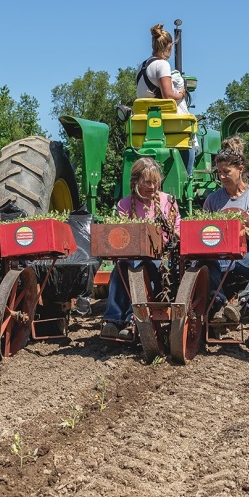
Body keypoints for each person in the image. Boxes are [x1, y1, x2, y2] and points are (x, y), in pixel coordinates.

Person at [101, 158, 181, 341]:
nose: (152, 186)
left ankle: (133, 319)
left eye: (155, 181)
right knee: (120, 270)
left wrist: (169, 233)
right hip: (131, 255)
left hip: (161, 258)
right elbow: (120, 234)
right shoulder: (124, 204)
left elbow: (179, 230)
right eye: (147, 182)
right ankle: (113, 319)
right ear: (136, 181)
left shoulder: (168, 201)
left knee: (144, 265)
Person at [203, 137, 249, 323]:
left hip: (248, 252)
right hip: (219, 254)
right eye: (219, 172)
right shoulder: (212, 200)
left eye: (226, 172)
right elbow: (203, 231)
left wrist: (243, 231)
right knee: (204, 266)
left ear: (240, 170)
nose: (221, 176)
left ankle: (243, 305)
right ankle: (216, 306)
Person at [136, 23, 197, 175]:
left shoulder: (142, 66)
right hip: (164, 125)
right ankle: (187, 178)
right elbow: (168, 96)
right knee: (190, 139)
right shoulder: (162, 65)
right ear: (169, 46)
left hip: (144, 125)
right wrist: (182, 93)